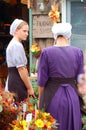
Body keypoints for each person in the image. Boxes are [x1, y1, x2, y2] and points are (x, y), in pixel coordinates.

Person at [37, 22, 84, 130]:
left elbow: (41, 81)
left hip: (52, 97)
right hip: (72, 97)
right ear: (69, 35)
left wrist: (41, 99)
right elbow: (80, 79)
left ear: (55, 35)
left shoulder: (46, 52)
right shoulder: (78, 52)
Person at [6, 19, 35, 102]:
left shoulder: (16, 44)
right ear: (16, 31)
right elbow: (21, 69)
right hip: (17, 80)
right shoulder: (16, 45)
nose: (27, 34)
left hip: (16, 78)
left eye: (27, 31)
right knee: (21, 107)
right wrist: (30, 88)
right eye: (24, 31)